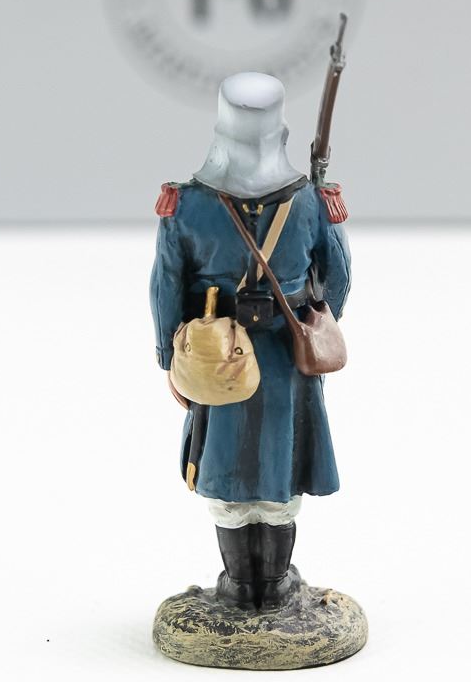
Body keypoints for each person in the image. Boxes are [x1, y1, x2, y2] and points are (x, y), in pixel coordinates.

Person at [150, 71, 351, 609]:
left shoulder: (185, 205)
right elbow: (337, 279)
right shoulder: (312, 201)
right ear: (279, 133)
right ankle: (273, 584)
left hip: (216, 357)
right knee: (281, 470)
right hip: (286, 356)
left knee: (228, 468)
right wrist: (310, 326)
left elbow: (166, 287)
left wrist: (171, 357)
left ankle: (242, 585)